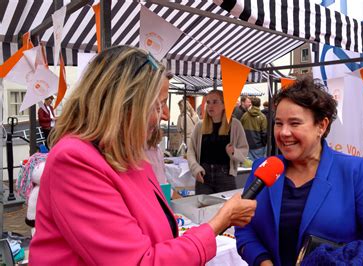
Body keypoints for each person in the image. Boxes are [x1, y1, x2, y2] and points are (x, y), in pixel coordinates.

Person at [29, 46, 256, 265]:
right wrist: (219, 222)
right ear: (123, 104)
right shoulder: (75, 161)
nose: (165, 116)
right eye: (157, 105)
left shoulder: (129, 154)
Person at [235, 77, 363, 266]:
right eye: (278, 123)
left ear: (321, 126)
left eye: (294, 123)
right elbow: (245, 228)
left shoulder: (354, 173)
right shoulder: (263, 169)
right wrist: (262, 260)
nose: (283, 132)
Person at [188, 90, 249, 195]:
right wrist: (195, 169)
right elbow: (191, 151)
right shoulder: (199, 126)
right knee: (204, 210)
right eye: (208, 102)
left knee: (227, 208)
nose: (210, 106)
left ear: (224, 105)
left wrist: (234, 151)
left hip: (226, 176)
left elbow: (244, 151)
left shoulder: (234, 125)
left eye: (215, 102)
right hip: (204, 176)